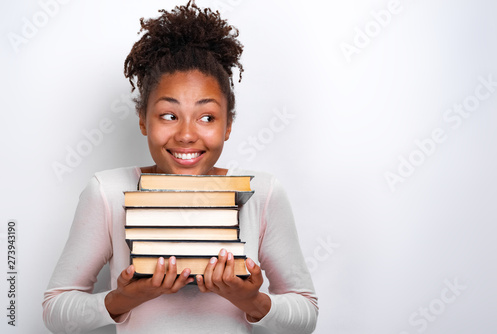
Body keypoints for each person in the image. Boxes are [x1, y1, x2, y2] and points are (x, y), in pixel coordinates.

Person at [43, 2, 318, 333]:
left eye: (207, 118)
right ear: (143, 120)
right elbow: (55, 311)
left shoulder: (263, 193)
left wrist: (253, 301)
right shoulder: (108, 192)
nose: (187, 135)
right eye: (169, 116)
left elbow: (306, 315)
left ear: (228, 125)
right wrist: (124, 299)